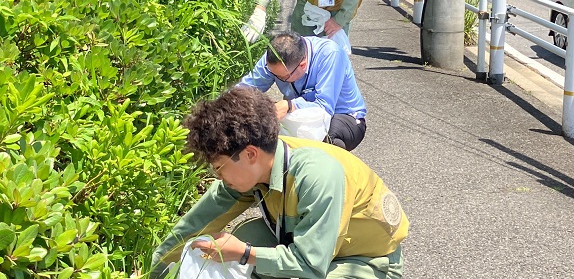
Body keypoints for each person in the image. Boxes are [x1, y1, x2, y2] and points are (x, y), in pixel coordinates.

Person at [150, 87, 409, 279]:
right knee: (245, 237)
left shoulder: (317, 175)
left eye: (218, 167)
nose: (218, 177)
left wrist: (244, 253)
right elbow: (197, 222)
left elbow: (312, 265)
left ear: (250, 154)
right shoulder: (259, 165)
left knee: (244, 251)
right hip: (316, 245)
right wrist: (155, 269)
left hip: (368, 262)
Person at [239, 31, 366, 151]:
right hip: (299, 114)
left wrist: (289, 105)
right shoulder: (273, 56)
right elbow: (246, 89)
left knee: (324, 141)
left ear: (302, 64)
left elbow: (324, 107)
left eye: (282, 77)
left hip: (343, 116)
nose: (276, 78)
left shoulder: (330, 54)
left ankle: (336, 170)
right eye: (272, 74)